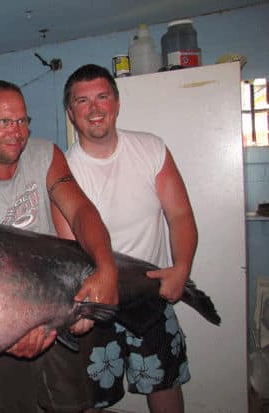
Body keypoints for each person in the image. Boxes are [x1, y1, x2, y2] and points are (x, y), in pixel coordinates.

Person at [0, 79, 118, 413]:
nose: (17, 131)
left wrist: (105, 270)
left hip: (58, 301)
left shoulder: (43, 153)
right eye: (4, 122)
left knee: (73, 404)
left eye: (22, 120)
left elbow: (79, 210)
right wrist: (15, 333)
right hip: (2, 327)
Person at [53, 64, 198, 413]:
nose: (94, 108)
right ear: (71, 113)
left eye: (102, 97)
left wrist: (181, 269)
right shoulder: (61, 171)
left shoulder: (151, 149)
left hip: (150, 292)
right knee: (88, 399)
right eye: (83, 101)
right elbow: (72, 251)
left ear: (116, 103)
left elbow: (179, 216)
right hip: (96, 299)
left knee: (165, 385)